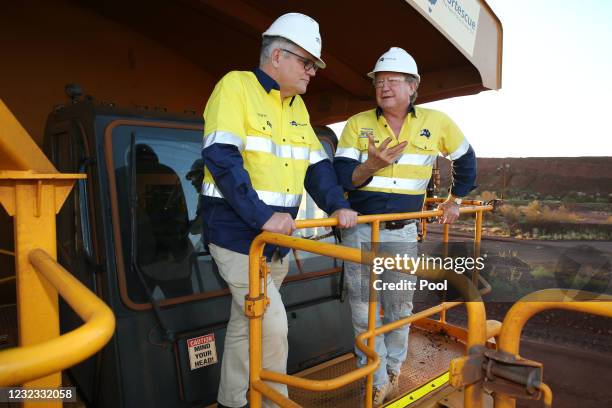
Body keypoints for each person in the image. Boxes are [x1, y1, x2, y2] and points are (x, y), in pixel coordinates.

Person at [201, 13, 358, 408]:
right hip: (240, 239)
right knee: (272, 328)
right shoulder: (235, 87)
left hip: (274, 245)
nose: (313, 72)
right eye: (307, 63)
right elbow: (221, 158)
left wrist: (338, 204)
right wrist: (263, 216)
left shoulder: (297, 109)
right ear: (277, 57)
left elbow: (317, 168)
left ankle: (232, 402)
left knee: (245, 327)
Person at [334, 47, 477, 406]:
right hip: (361, 231)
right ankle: (377, 378)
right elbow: (342, 179)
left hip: (402, 233)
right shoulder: (356, 125)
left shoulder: (437, 122)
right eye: (379, 82)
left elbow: (466, 159)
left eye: (393, 81)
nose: (384, 87)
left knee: (398, 307)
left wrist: (454, 200)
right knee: (363, 310)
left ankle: (394, 370)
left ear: (413, 87)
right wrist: (370, 166)